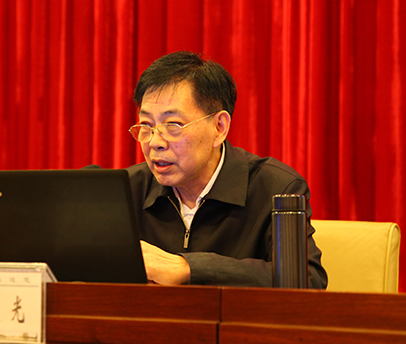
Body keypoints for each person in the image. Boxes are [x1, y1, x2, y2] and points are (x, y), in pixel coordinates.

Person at [126, 51, 327, 288]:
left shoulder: (275, 188)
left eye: (173, 125)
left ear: (219, 127)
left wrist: (190, 269)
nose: (155, 142)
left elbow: (306, 280)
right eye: (146, 125)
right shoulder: (128, 190)